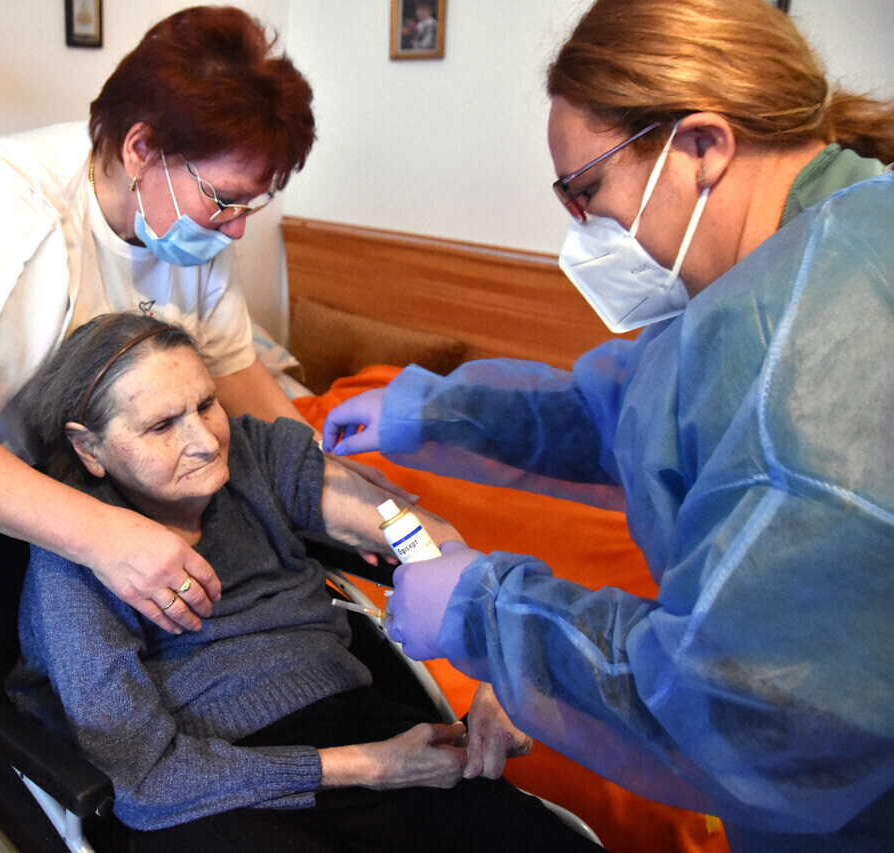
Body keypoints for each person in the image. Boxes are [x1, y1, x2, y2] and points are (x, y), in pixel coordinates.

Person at [321, 1, 894, 850]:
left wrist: (489, 612)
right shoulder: (798, 261)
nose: (582, 228)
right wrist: (430, 410)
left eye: (585, 190)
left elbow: (740, 710)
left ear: (702, 146)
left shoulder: (814, 342)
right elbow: (630, 413)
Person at [0, 6, 318, 779]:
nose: (237, 229)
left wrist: (322, 479)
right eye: (224, 199)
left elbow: (236, 367)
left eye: (251, 204)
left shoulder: (193, 222)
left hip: (69, 509)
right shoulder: (8, 206)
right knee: (3, 764)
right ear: (141, 147)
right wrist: (108, 539)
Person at [6, 312, 600, 852]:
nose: (206, 442)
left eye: (207, 404)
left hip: (354, 721)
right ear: (90, 448)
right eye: (162, 426)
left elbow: (421, 535)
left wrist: (499, 663)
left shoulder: (259, 456)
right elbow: (147, 781)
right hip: (212, 791)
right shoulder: (72, 564)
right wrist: (372, 766)